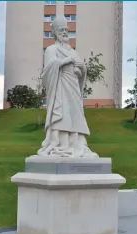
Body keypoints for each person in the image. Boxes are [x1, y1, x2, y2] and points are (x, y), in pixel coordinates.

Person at [37, 15, 98, 158]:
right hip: (60, 87)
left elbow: (80, 71)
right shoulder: (51, 49)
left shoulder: (73, 51)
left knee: (76, 115)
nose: (64, 32)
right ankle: (60, 144)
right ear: (55, 33)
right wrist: (66, 60)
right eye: (61, 30)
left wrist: (82, 69)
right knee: (62, 114)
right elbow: (48, 70)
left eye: (66, 30)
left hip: (74, 87)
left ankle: (78, 143)